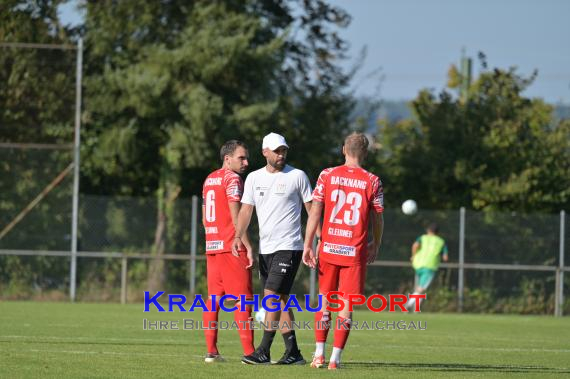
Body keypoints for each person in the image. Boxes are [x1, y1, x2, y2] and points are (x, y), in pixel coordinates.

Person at [302, 132, 384, 370]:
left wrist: (308, 243)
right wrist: (376, 243)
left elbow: (315, 211)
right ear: (365, 153)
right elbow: (377, 218)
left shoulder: (327, 174)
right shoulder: (373, 181)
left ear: (343, 150)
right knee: (346, 306)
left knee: (324, 302)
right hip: (353, 252)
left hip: (328, 248)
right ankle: (335, 360)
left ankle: (318, 355)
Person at [233, 132, 316, 365]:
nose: (281, 155)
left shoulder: (297, 176)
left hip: (289, 247)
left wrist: (316, 241)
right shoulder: (253, 178)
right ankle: (293, 353)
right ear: (265, 152)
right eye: (277, 151)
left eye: (284, 151)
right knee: (280, 300)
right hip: (266, 249)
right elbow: (246, 210)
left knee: (270, 298)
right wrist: (238, 236)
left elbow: (312, 211)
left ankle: (263, 350)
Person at [201, 140, 255, 363]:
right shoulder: (232, 179)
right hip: (231, 248)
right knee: (243, 300)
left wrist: (213, 238)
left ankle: (211, 352)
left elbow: (205, 218)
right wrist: (247, 245)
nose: (246, 162)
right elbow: (237, 217)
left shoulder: (209, 179)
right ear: (227, 158)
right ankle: (250, 354)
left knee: (213, 300)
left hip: (212, 246)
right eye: (241, 158)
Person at [405, 223, 449, 311]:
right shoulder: (441, 241)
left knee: (421, 288)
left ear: (428, 230)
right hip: (430, 266)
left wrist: (413, 256)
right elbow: (445, 257)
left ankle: (416, 309)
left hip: (418, 264)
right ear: (437, 232)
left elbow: (415, 245)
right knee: (422, 288)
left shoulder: (422, 238)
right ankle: (408, 305)